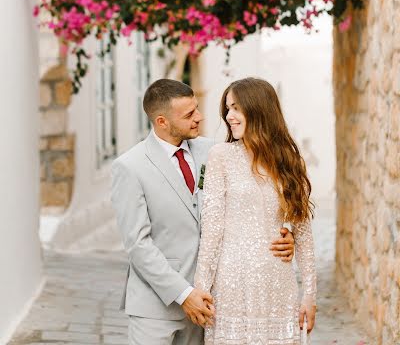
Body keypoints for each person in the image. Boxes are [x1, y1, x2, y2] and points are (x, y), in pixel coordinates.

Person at [111, 78, 295, 345]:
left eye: (196, 108)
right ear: (162, 121)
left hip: (210, 302)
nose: (199, 117)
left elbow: (265, 190)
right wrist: (184, 294)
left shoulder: (215, 152)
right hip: (156, 308)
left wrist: (286, 233)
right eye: (188, 115)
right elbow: (138, 245)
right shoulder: (130, 167)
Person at [194, 77, 317, 345]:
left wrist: (309, 294)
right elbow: (212, 227)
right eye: (227, 109)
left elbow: (304, 233)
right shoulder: (221, 156)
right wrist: (201, 287)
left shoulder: (290, 161)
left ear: (259, 109)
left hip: (278, 284)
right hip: (232, 283)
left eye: (236, 108)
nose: (229, 116)